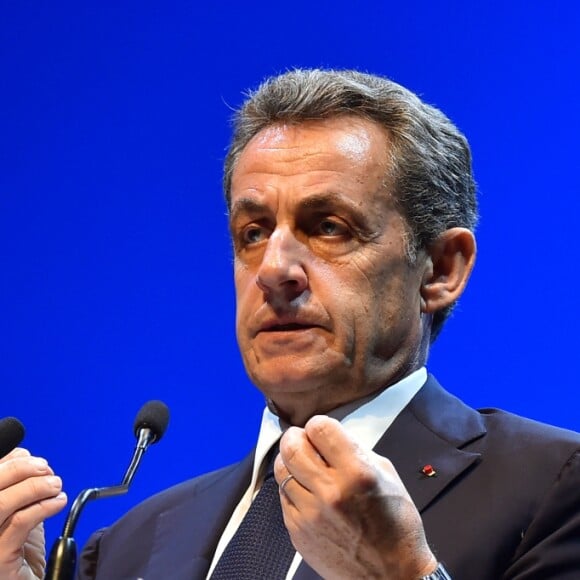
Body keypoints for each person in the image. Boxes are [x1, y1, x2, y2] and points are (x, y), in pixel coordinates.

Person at [1, 68, 580, 579]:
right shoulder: (132, 543)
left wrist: (403, 577)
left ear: (440, 270)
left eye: (329, 227)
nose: (274, 269)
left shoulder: (552, 488)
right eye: (252, 234)